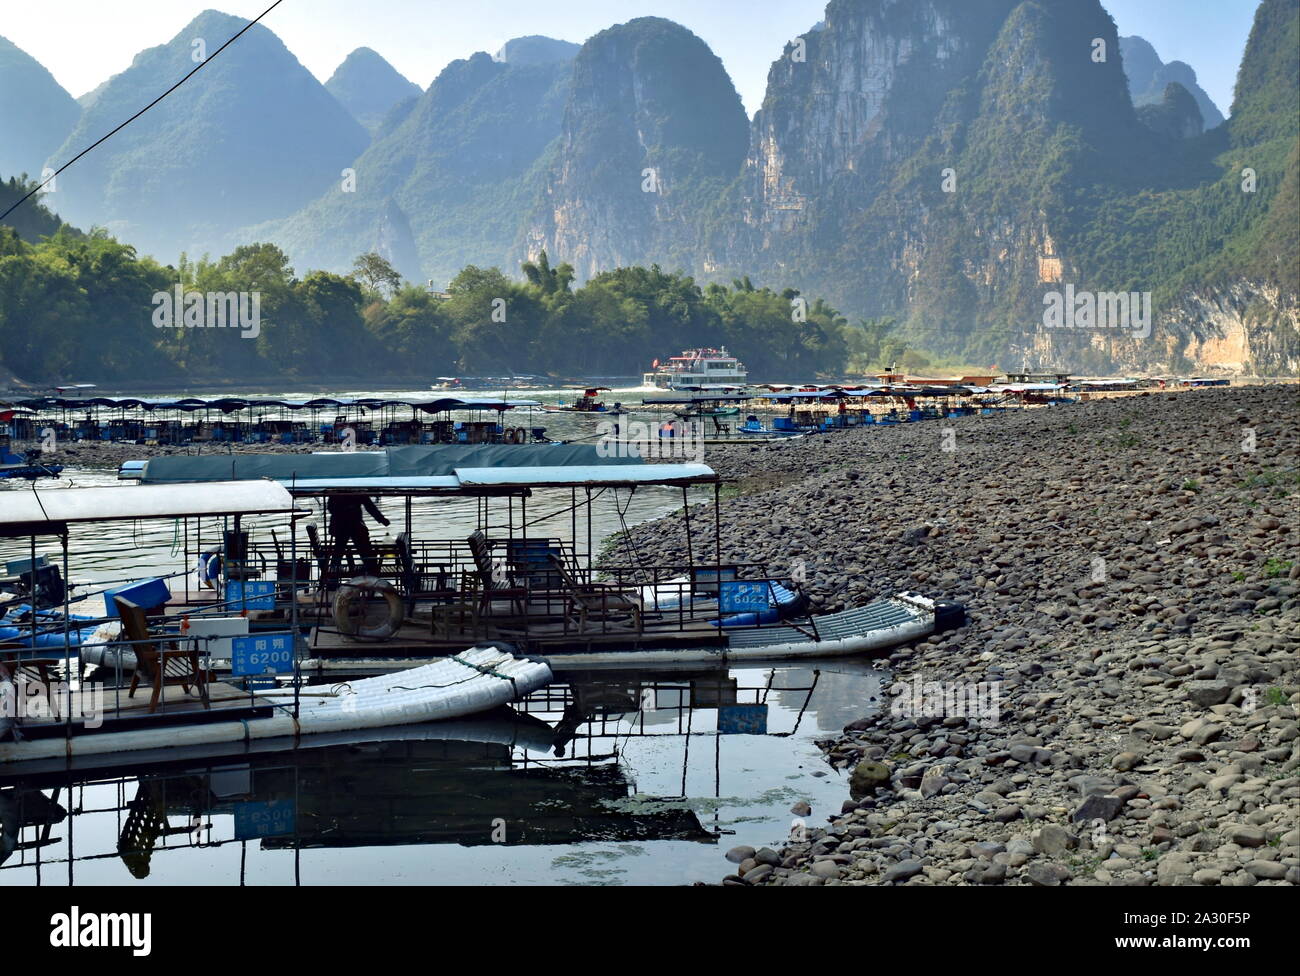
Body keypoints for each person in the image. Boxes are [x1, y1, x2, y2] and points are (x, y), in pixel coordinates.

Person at [327, 494, 390, 577]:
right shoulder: (354, 492)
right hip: (348, 525)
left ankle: (333, 574)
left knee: (340, 549)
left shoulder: (343, 491)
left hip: (345, 526)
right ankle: (371, 571)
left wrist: (381, 519)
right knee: (363, 549)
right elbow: (369, 506)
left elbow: (369, 506)